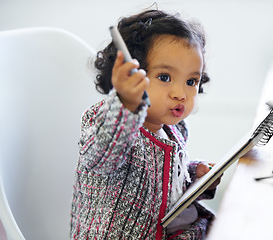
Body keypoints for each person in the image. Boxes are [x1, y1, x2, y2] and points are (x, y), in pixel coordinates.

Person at [70, 9, 221, 240]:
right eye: (164, 77)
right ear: (131, 76)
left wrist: (194, 176)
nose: (181, 94)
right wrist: (126, 104)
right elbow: (100, 157)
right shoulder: (108, 120)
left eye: (191, 81)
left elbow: (163, 183)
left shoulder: (175, 128)